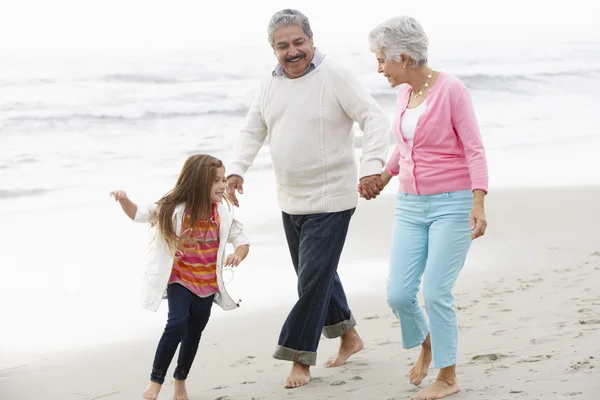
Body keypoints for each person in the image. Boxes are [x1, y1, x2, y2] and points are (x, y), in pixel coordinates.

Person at [226, 8, 390, 389]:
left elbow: (374, 118)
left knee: (311, 282)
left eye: (298, 42)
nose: (292, 51)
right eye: (282, 46)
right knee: (317, 274)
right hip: (290, 199)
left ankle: (299, 357)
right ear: (273, 49)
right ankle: (349, 336)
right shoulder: (269, 85)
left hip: (333, 198)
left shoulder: (335, 76)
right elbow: (252, 130)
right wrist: (237, 168)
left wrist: (371, 166)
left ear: (312, 40)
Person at [364, 16, 489, 400]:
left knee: (436, 291)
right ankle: (427, 343)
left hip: (452, 204)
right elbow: (405, 148)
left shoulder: (451, 90)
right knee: (399, 295)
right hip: (409, 205)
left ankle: (447, 376)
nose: (379, 67)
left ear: (403, 56)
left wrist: (478, 201)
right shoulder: (404, 93)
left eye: (382, 59)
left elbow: (474, 148)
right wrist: (383, 177)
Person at [110, 154, 250, 400]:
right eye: (215, 181)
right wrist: (124, 200)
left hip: (207, 287)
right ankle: (155, 380)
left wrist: (238, 254)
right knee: (176, 324)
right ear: (197, 183)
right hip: (180, 281)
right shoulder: (174, 210)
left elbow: (242, 240)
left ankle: (180, 380)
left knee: (193, 335)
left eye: (222, 179)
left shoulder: (222, 215)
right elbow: (139, 214)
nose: (221, 185)